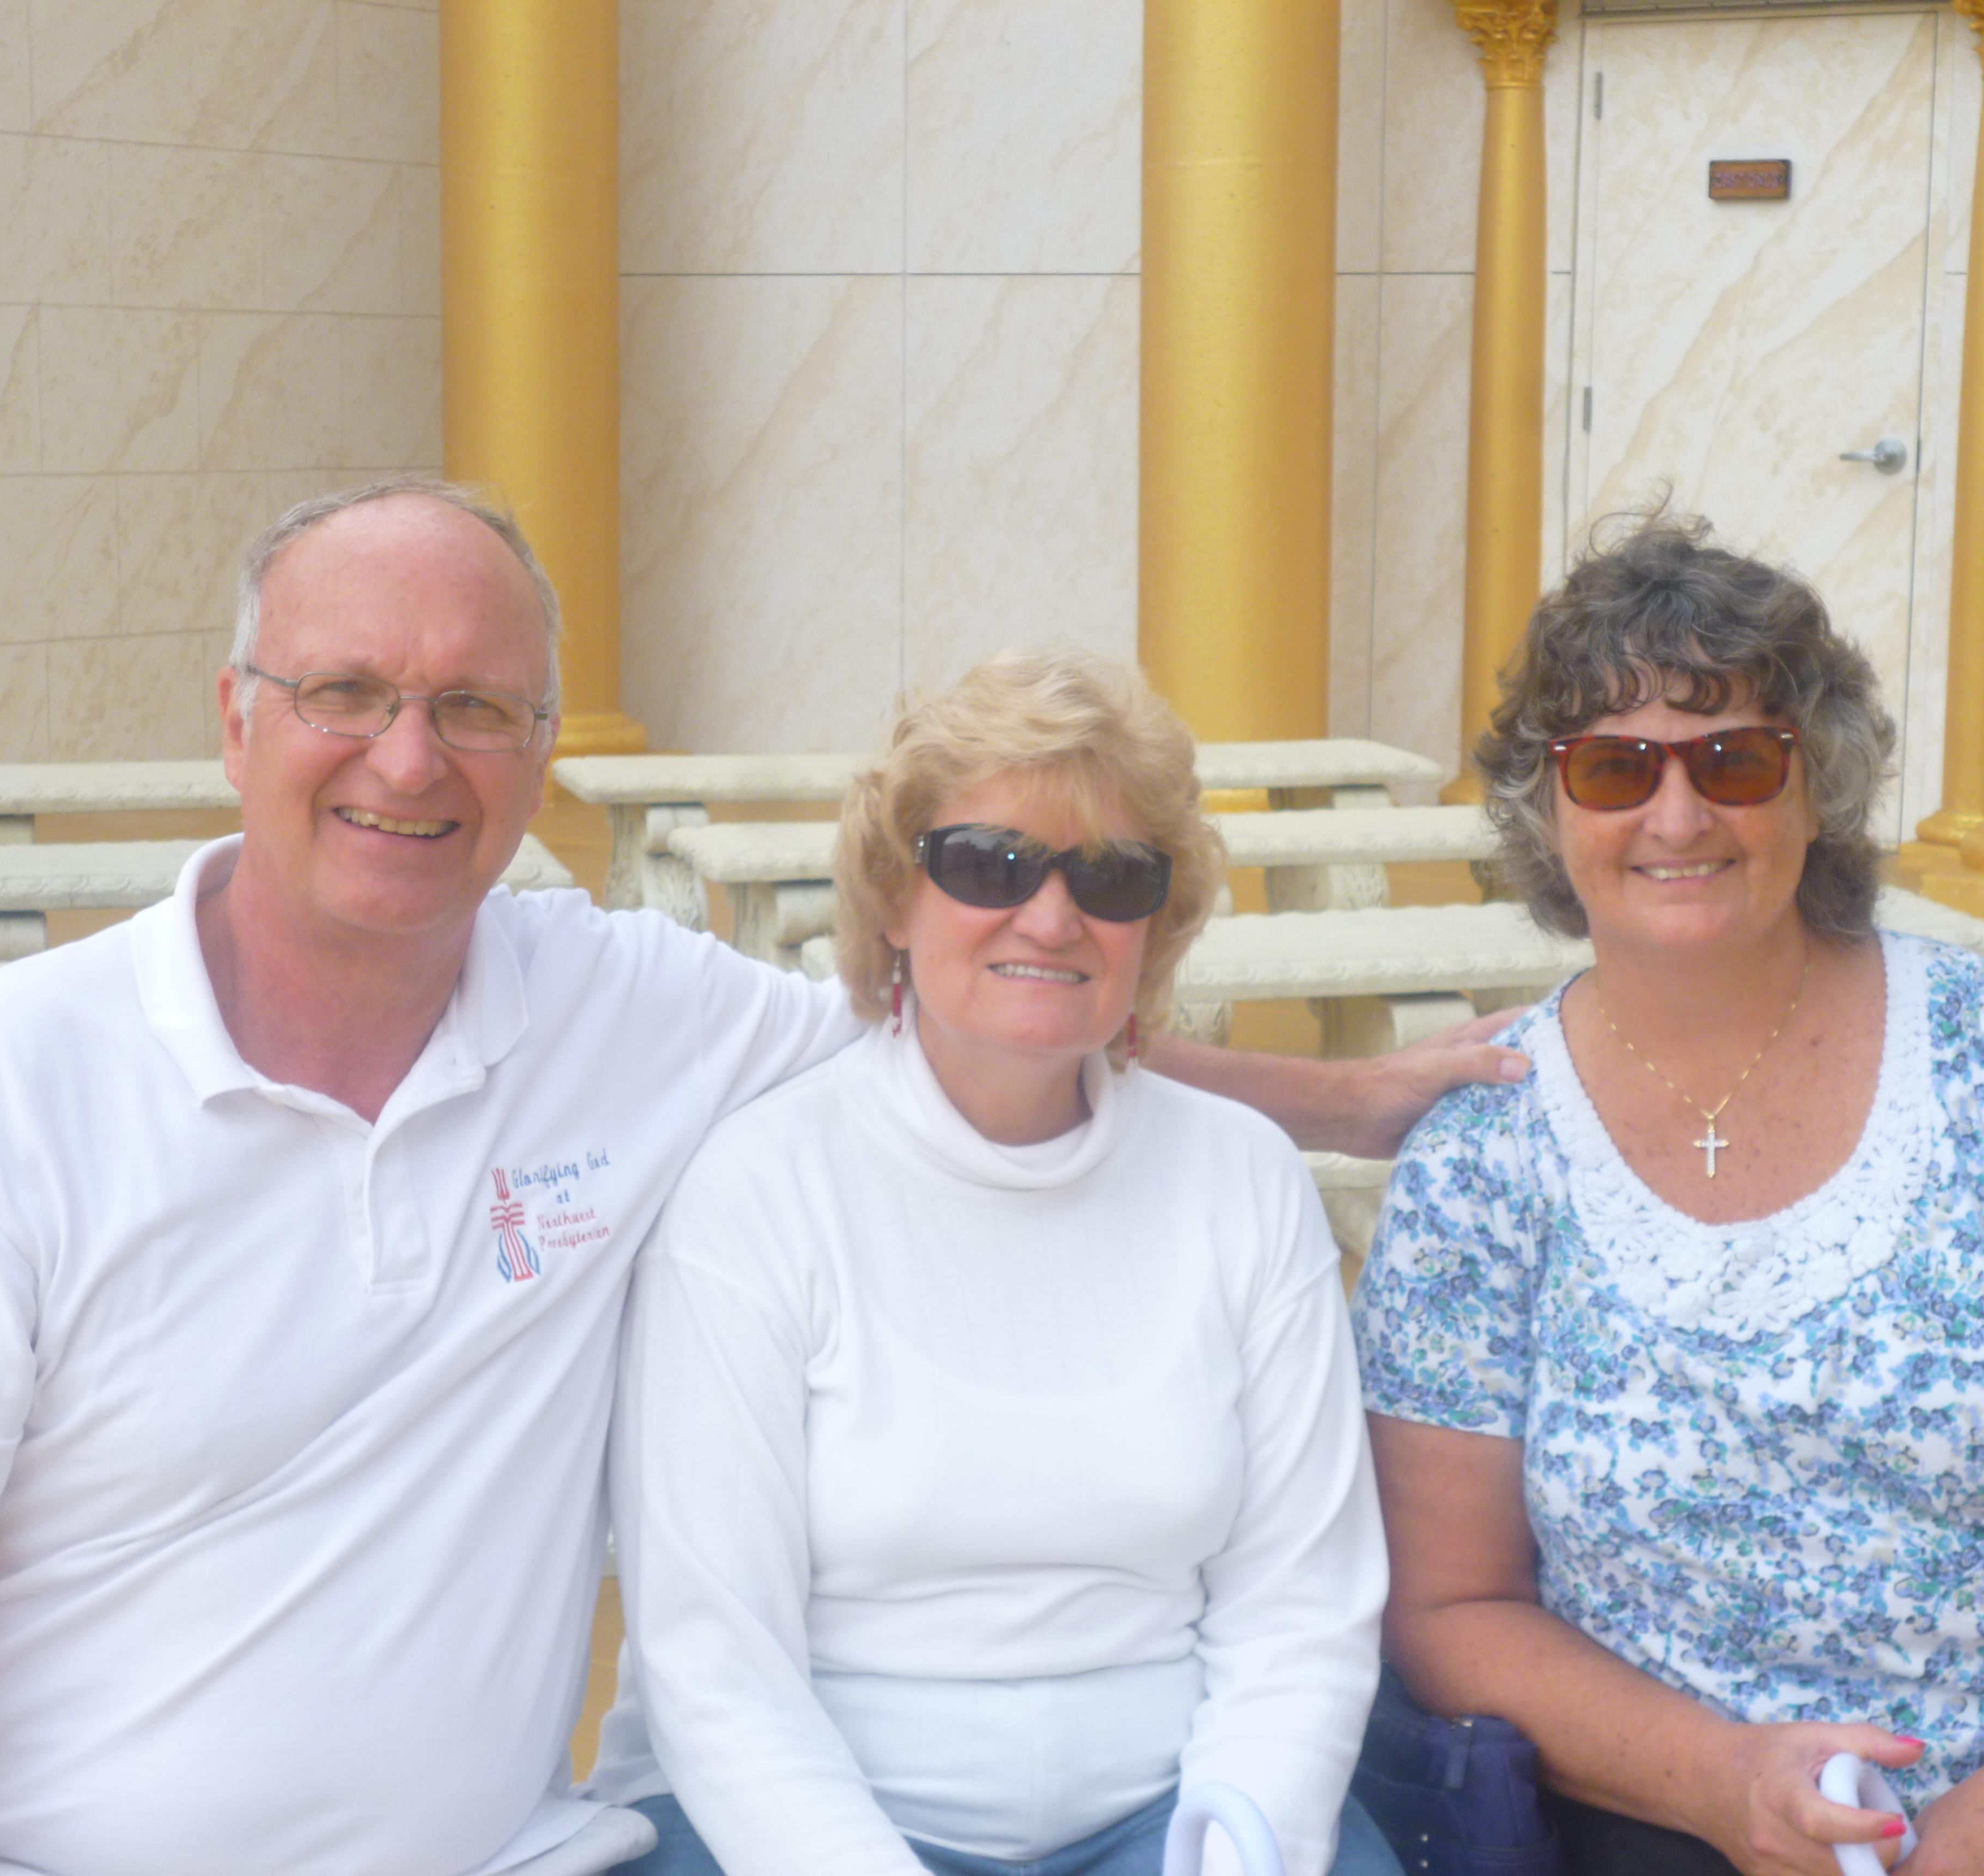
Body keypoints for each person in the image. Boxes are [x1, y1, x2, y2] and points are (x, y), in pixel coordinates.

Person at [0, 479, 1522, 1876]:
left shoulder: (622, 1014)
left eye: (475, 708)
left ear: (540, 752)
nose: (410, 757)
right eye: (347, 693)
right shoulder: (1, 1084)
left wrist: (1335, 1101)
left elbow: (992, 1025)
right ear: (236, 721)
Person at [1353, 516, 1984, 1876]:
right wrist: (1719, 1783)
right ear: (1546, 812)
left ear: (1819, 784)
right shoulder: (1482, 1159)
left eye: (1735, 760)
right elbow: (1452, 1607)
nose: (1678, 817)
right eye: (1615, 768)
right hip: (1696, 1832)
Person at [583, 650, 1402, 1876]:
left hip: (1170, 1819)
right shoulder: (756, 1191)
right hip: (790, 1827)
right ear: (893, 901)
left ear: (1155, 925)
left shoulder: (1245, 1180)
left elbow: (1303, 1605)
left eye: (1112, 877)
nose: (1053, 916)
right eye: (988, 864)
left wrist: (1230, 1853)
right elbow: (717, 1664)